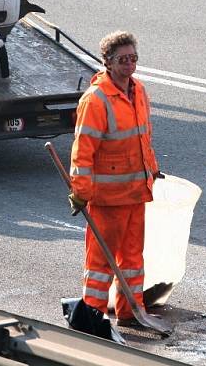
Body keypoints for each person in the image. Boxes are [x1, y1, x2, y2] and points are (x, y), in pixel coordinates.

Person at [68, 30, 161, 327]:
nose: (130, 64)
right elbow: (83, 153)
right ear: (107, 62)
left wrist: (152, 170)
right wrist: (81, 192)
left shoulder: (139, 91)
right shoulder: (95, 100)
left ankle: (131, 310)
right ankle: (93, 316)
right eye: (123, 59)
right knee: (101, 263)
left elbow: (143, 138)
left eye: (133, 58)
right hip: (108, 200)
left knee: (133, 259)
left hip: (136, 193)